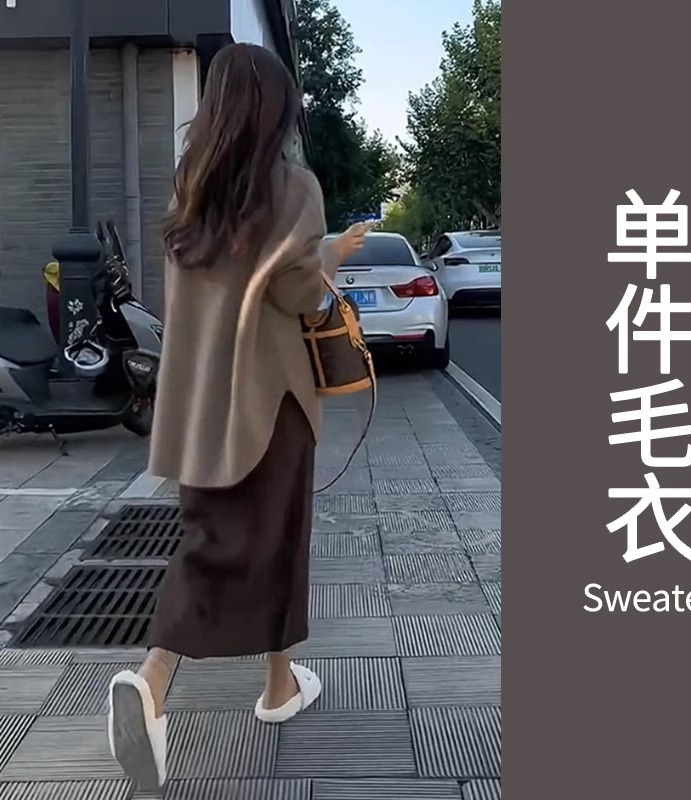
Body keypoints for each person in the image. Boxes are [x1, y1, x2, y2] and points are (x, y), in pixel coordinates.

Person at [105, 42, 368, 792]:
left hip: (196, 403)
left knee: (215, 537)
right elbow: (298, 293)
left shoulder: (190, 184)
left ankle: (252, 685)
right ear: (275, 108)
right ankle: (168, 684)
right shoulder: (292, 186)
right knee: (268, 541)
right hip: (269, 401)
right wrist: (333, 254)